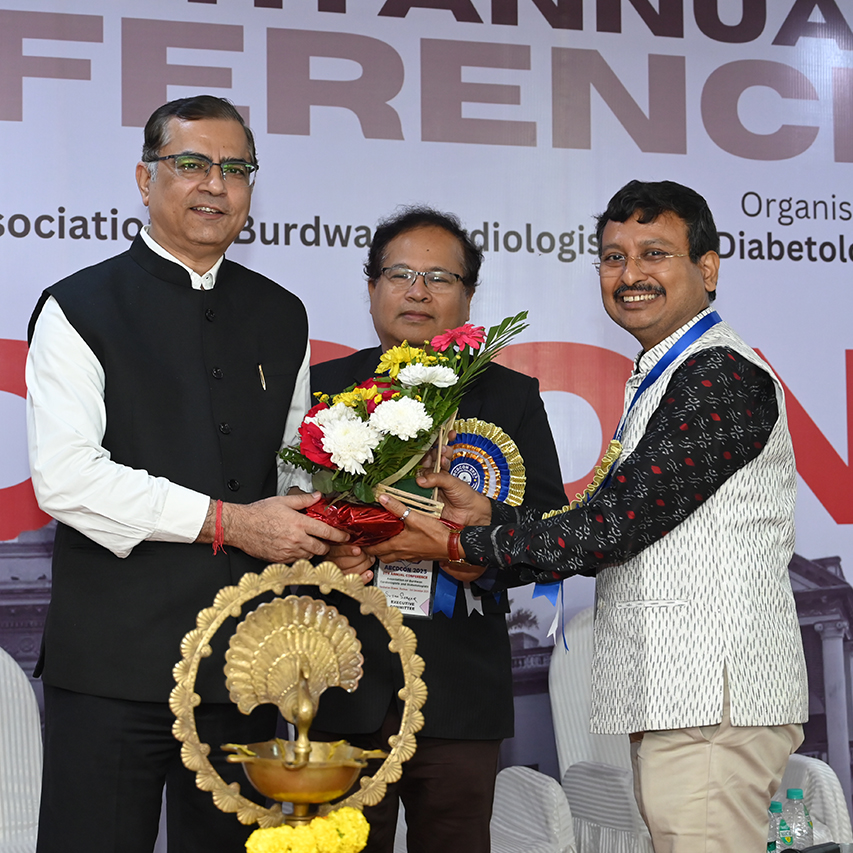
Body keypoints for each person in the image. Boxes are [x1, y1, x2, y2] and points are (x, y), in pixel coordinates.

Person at [367, 182, 808, 853]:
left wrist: (463, 541)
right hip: (685, 700)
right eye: (613, 257)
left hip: (713, 699)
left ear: (707, 267)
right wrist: (488, 518)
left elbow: (612, 528)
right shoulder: (670, 372)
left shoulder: (718, 374)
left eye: (654, 253)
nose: (630, 274)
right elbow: (615, 516)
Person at [25, 95, 358, 853]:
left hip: (245, 664)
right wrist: (229, 522)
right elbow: (67, 477)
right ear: (146, 179)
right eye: (192, 164)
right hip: (112, 663)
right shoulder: (79, 306)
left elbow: (291, 467)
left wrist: (334, 523)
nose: (215, 184)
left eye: (235, 169)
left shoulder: (282, 314)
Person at [308, 206, 566, 853]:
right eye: (400, 274)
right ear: (372, 289)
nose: (417, 291)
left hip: (459, 688)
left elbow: (550, 530)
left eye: (439, 277)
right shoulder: (321, 390)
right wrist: (326, 552)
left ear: (468, 296)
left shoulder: (509, 397)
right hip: (341, 682)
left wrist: (480, 545)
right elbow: (277, 516)